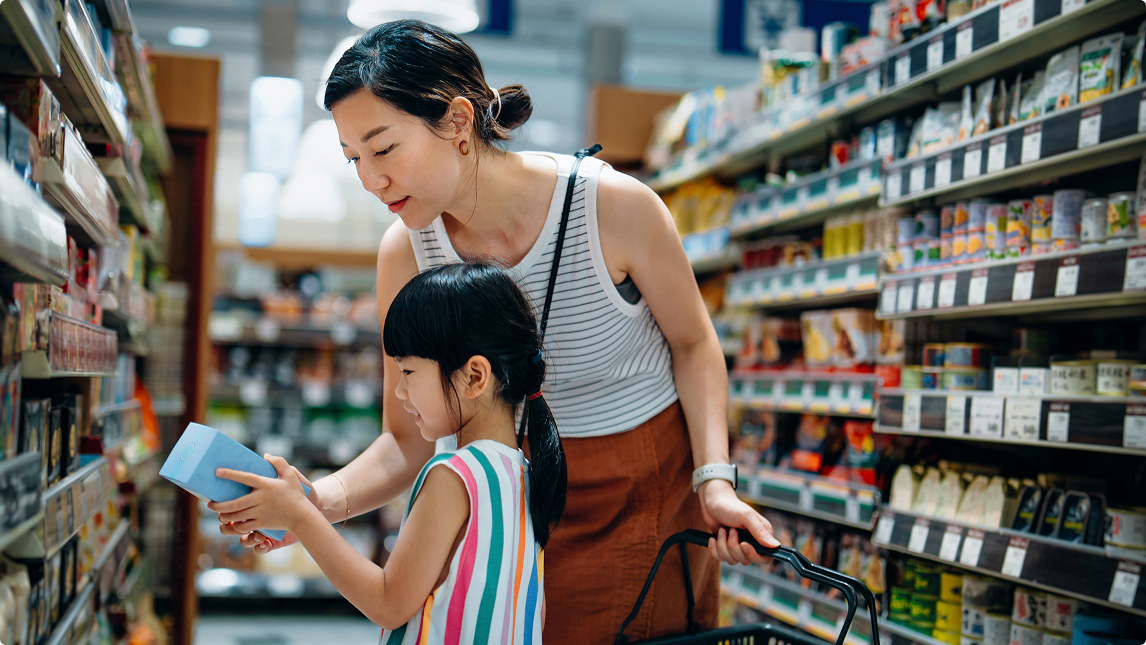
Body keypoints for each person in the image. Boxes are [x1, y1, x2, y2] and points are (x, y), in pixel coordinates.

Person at [218, 18, 780, 643]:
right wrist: (316, 501)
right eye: (353, 159)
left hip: (637, 486)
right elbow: (404, 437)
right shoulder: (405, 254)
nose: (370, 180)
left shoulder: (615, 207)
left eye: (383, 149)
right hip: (504, 497)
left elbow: (696, 345)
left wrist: (716, 481)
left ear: (458, 122)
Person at [210, 262, 563, 643]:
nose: (399, 391)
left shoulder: (454, 475)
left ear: (474, 376)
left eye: (408, 372)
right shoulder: (522, 470)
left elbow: (388, 602)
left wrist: (300, 517)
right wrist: (304, 514)